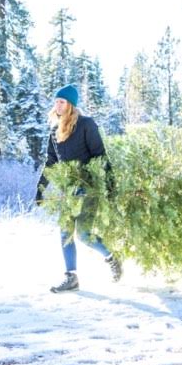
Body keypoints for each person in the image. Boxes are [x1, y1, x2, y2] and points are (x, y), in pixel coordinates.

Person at [35, 84, 123, 293]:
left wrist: (111, 186)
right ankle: (71, 277)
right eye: (56, 101)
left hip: (89, 187)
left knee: (83, 235)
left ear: (71, 105)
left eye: (62, 101)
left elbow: (100, 155)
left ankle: (112, 257)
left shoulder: (85, 125)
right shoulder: (55, 131)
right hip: (68, 190)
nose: (57, 105)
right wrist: (40, 189)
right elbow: (50, 162)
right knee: (65, 233)